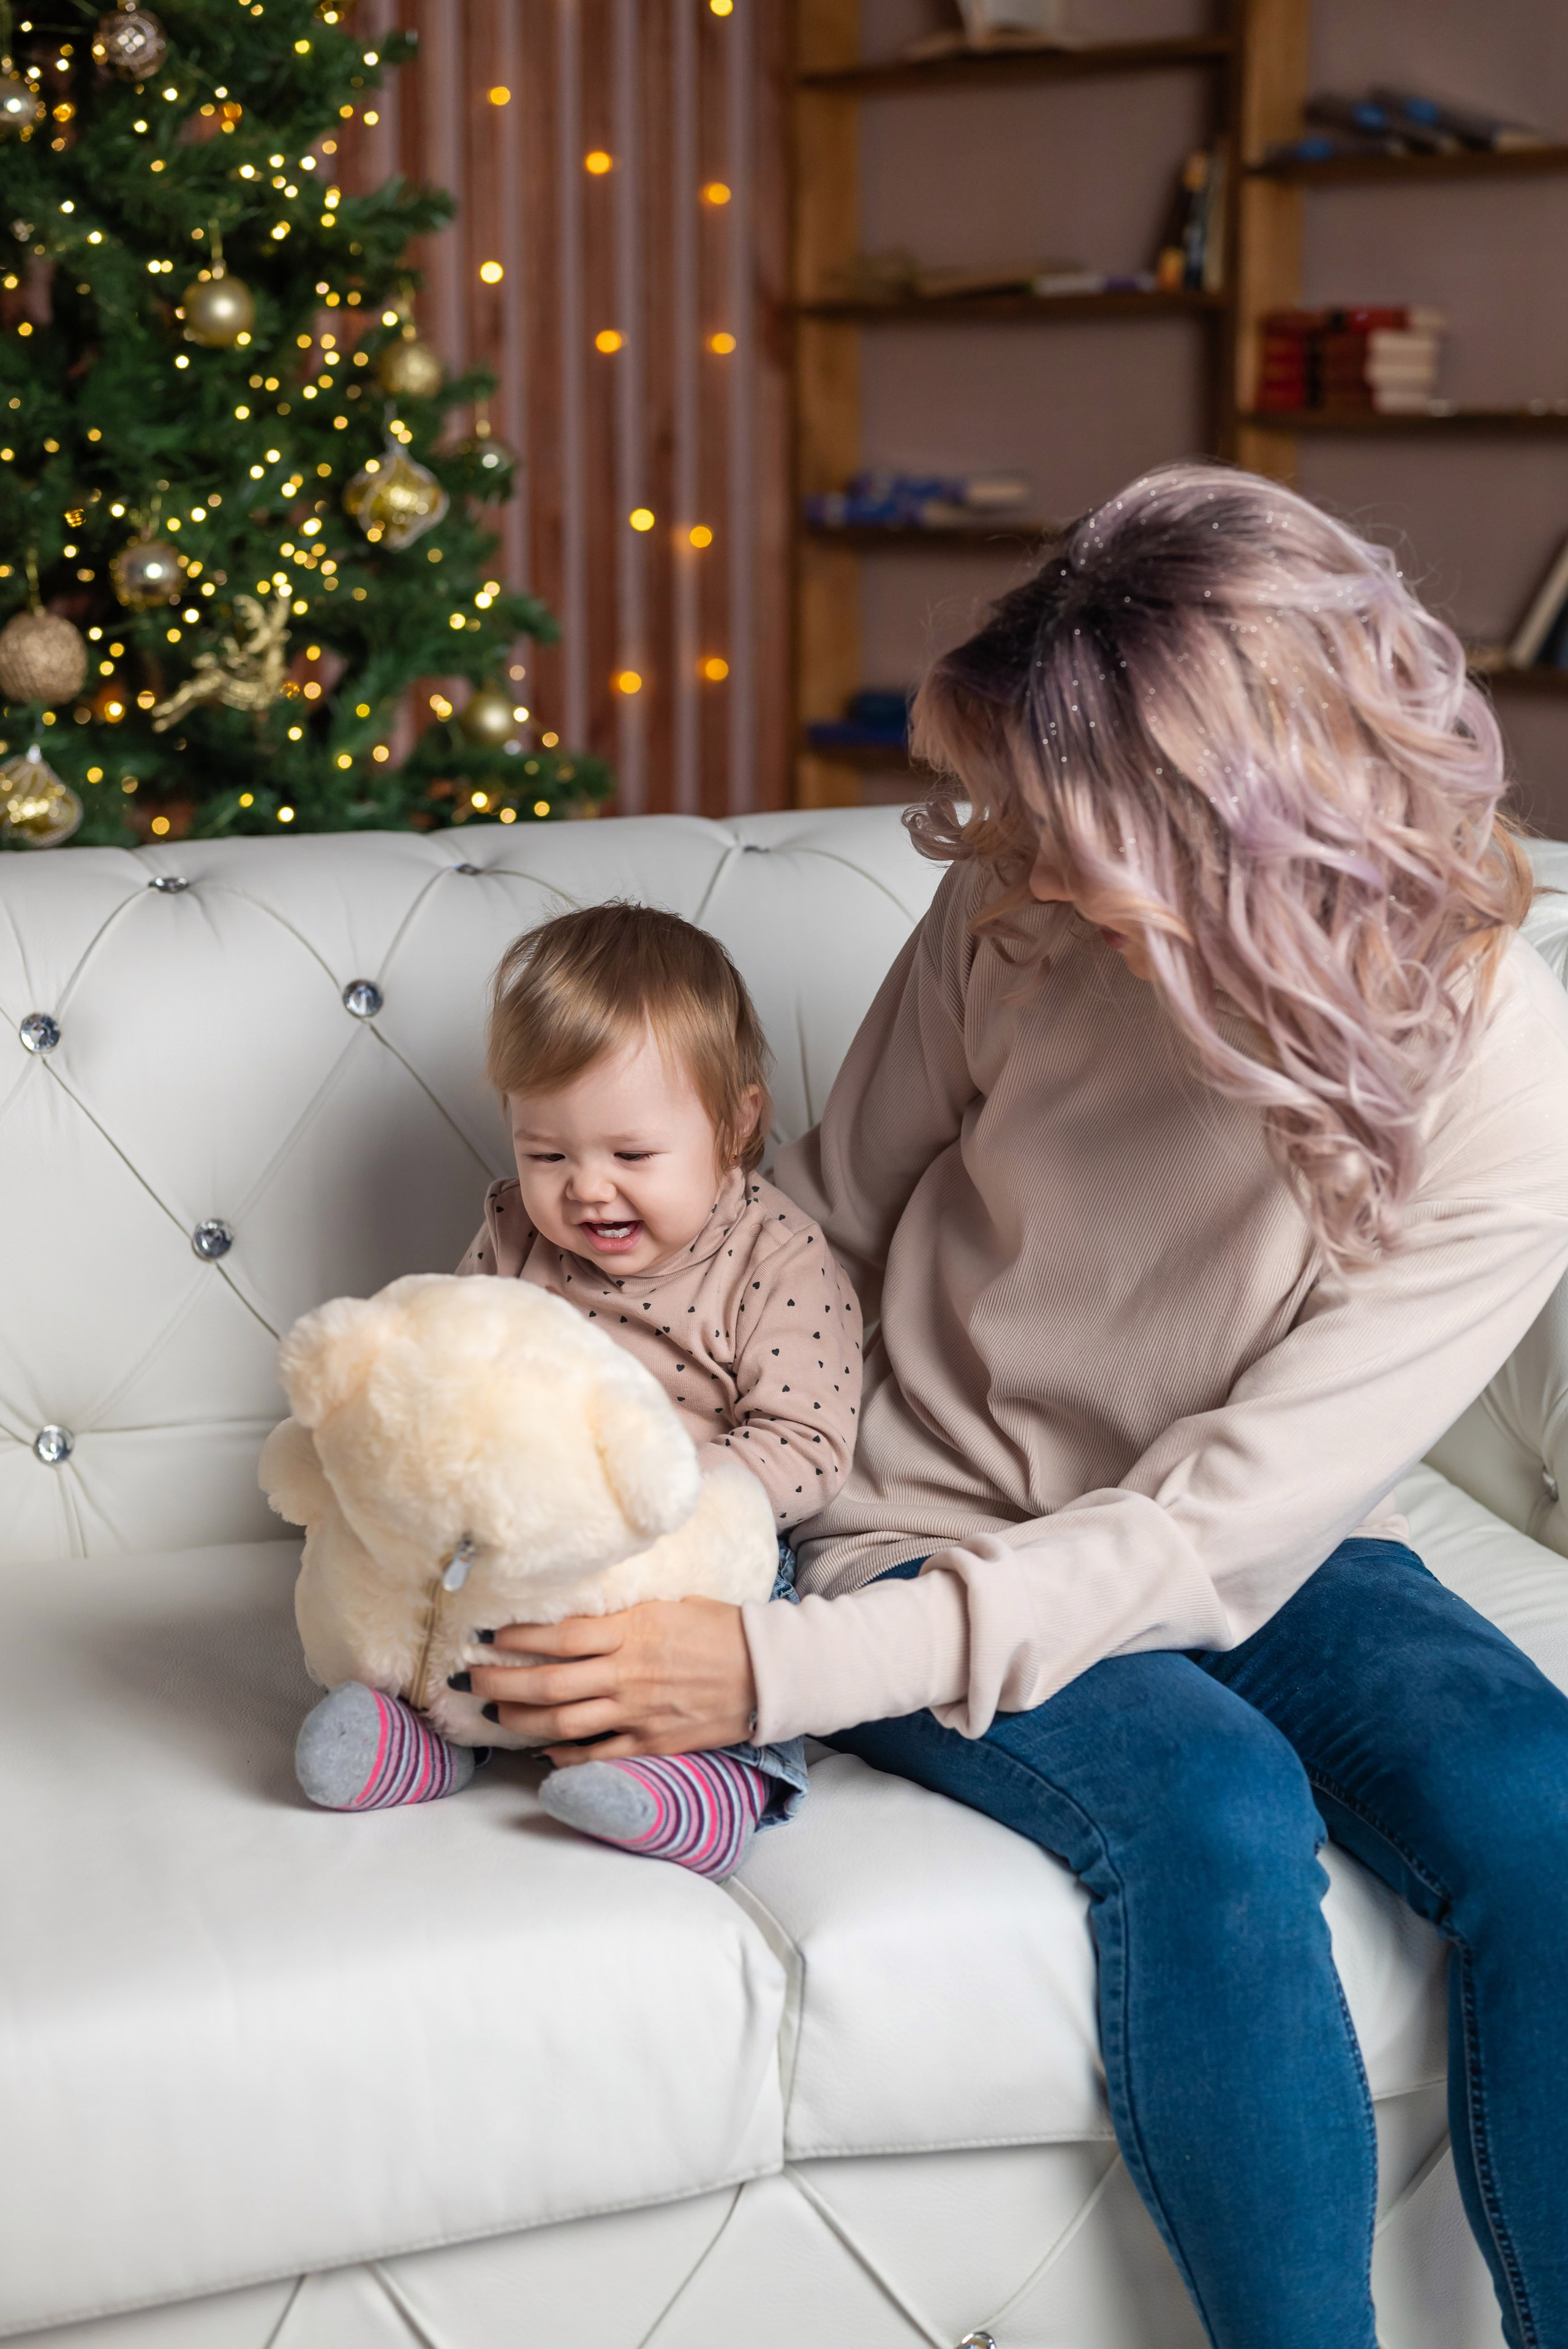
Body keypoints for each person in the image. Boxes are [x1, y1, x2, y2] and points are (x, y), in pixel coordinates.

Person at [470, 466, 1568, 2348]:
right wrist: (642, 1472)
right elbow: (815, 1215)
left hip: (1257, 1539)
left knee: (1548, 1815)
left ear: (1247, 827)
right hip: (928, 1513)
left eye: (1067, 826)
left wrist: (766, 1678)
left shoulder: (1503, 1094)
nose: (1014, 857)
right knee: (1214, 1809)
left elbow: (1214, 1533)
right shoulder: (1016, 900)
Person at [298, 901, 861, 1880]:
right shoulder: (518, 1234)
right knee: (422, 1582)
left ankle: (717, 1784)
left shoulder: (779, 1260)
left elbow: (809, 1447)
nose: (587, 1190)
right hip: (523, 1533)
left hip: (682, 1544)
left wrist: (671, 1503)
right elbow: (463, 1368)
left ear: (737, 1123)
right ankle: (424, 1731)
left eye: (631, 1156)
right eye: (548, 1154)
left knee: (748, 1620)